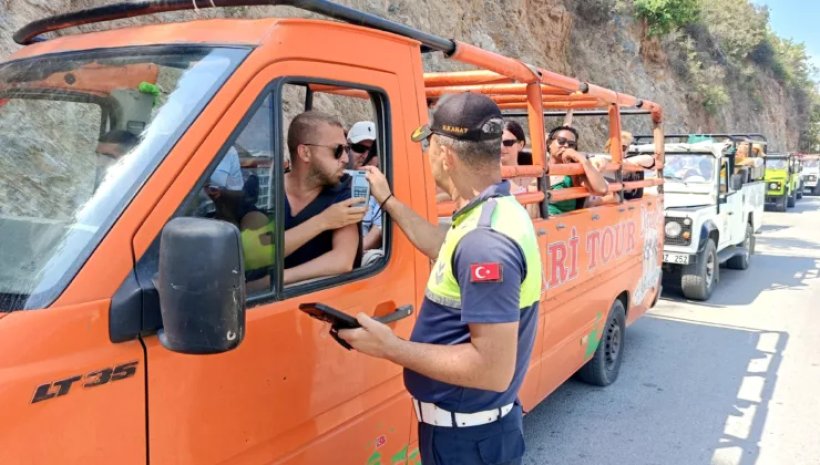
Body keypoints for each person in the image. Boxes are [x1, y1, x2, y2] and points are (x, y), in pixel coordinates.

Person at [338, 92, 542, 465]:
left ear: (444, 155)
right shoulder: (496, 211)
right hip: (471, 432)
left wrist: (390, 347)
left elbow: (492, 370)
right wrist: (389, 202)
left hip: (466, 441)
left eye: (428, 147)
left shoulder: (484, 242)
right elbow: (443, 246)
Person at [283, 111, 366, 284]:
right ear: (305, 152)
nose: (345, 158)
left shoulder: (343, 190)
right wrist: (323, 221)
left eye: (347, 150)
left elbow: (342, 261)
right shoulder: (264, 188)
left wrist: (279, 279)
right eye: (337, 150)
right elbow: (259, 255)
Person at [546, 125, 608, 215]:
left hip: (561, 223)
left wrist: (581, 159)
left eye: (571, 144)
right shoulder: (539, 166)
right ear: (549, 143)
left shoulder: (575, 172)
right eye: (561, 141)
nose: (566, 146)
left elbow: (602, 189)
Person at [347, 120, 383, 252]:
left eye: (373, 151)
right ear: (347, 149)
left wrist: (352, 254)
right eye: (359, 148)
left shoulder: (380, 187)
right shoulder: (333, 178)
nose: (365, 156)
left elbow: (378, 230)